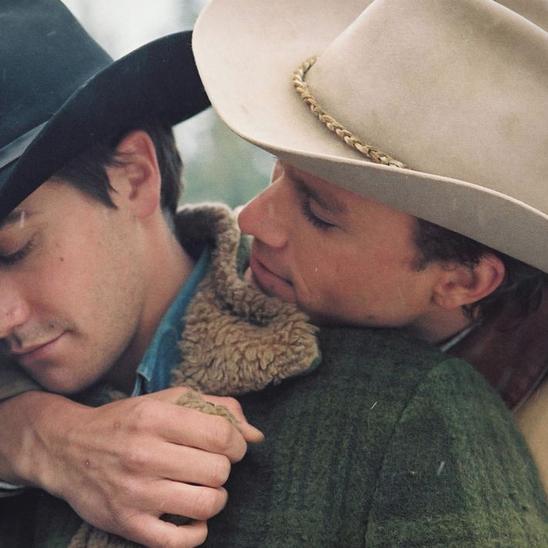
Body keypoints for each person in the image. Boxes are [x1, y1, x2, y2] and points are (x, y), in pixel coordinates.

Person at [0, 0, 547, 547]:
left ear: (137, 176)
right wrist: (33, 435)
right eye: (277, 169)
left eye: (17, 250)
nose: (252, 218)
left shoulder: (412, 411)